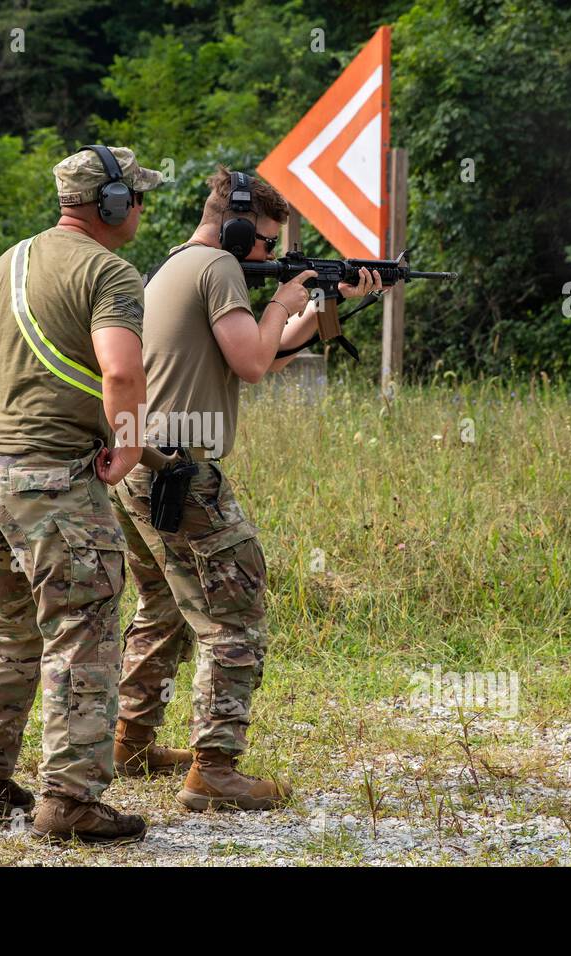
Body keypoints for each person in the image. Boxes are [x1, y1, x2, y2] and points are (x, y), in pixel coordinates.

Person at [112, 166, 382, 810]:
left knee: (165, 609)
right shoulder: (220, 270)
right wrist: (289, 300)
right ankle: (215, 771)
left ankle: (130, 742)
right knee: (236, 617)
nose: (271, 256)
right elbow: (255, 364)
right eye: (265, 243)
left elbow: (261, 349)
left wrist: (325, 310)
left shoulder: (179, 263)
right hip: (181, 472)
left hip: (142, 464)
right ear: (234, 226)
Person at [0, 145, 164, 843]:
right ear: (113, 205)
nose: (140, 209)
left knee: (4, 629)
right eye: (137, 196)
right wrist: (127, 444)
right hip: (50, 478)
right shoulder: (111, 272)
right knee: (83, 633)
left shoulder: (4, 263)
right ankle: (68, 801)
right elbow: (122, 372)